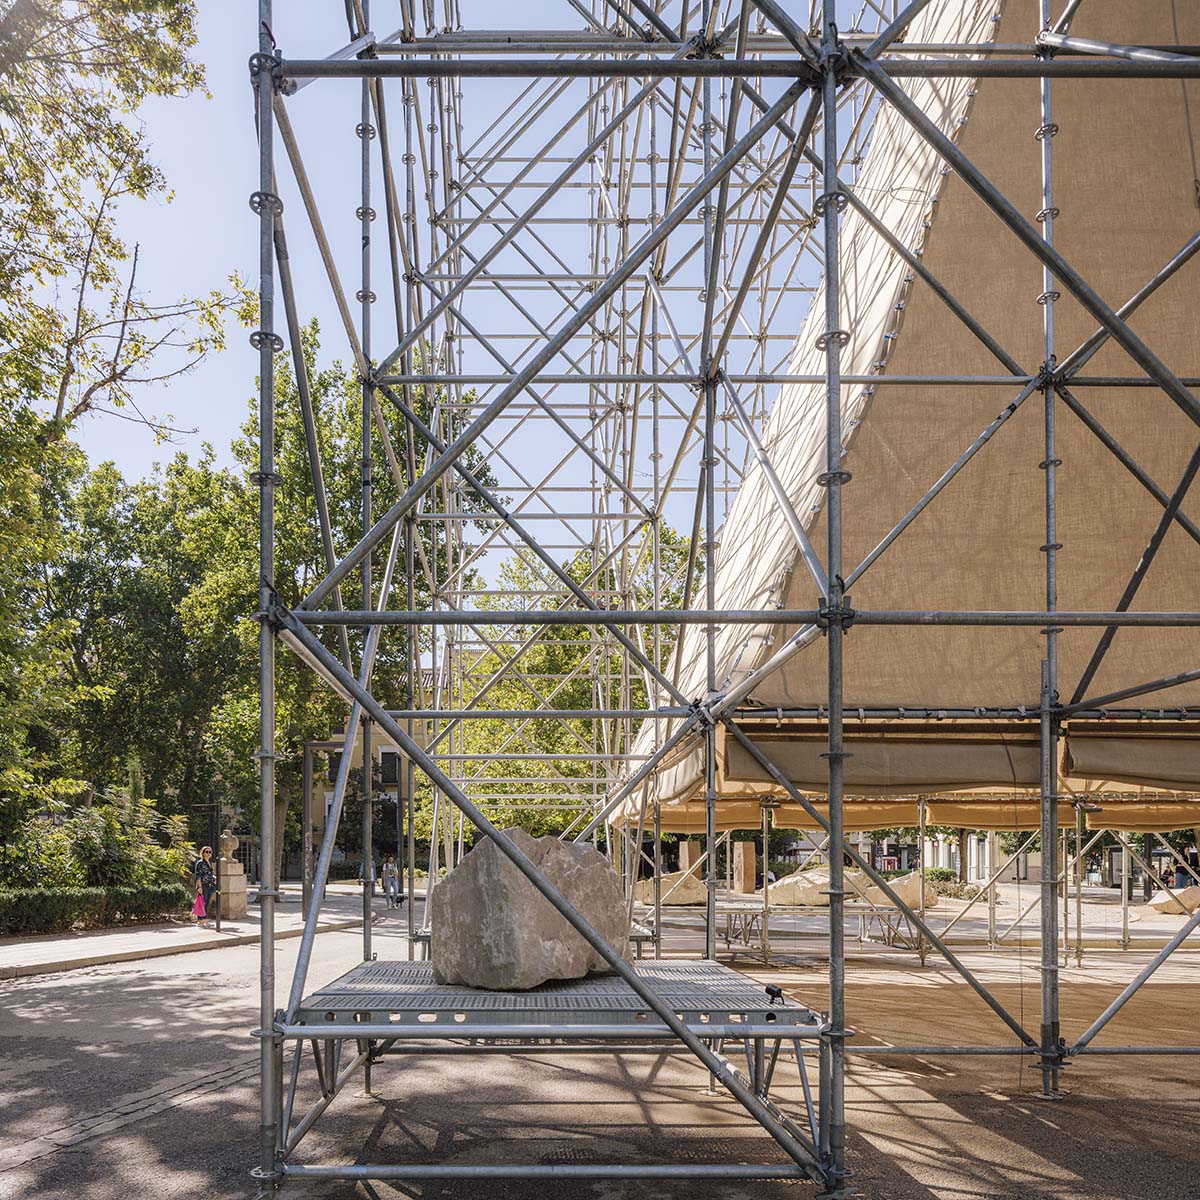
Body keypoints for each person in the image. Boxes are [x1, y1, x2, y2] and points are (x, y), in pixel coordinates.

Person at [193, 846, 217, 927]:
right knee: (202, 903)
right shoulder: (200, 863)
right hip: (203, 885)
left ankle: (203, 920)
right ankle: (201, 920)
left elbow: (209, 874)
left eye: (210, 852)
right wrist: (199, 887)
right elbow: (198, 876)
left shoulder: (209, 863)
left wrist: (213, 878)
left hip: (210, 885)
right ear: (202, 853)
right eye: (206, 852)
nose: (208, 853)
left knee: (206, 904)